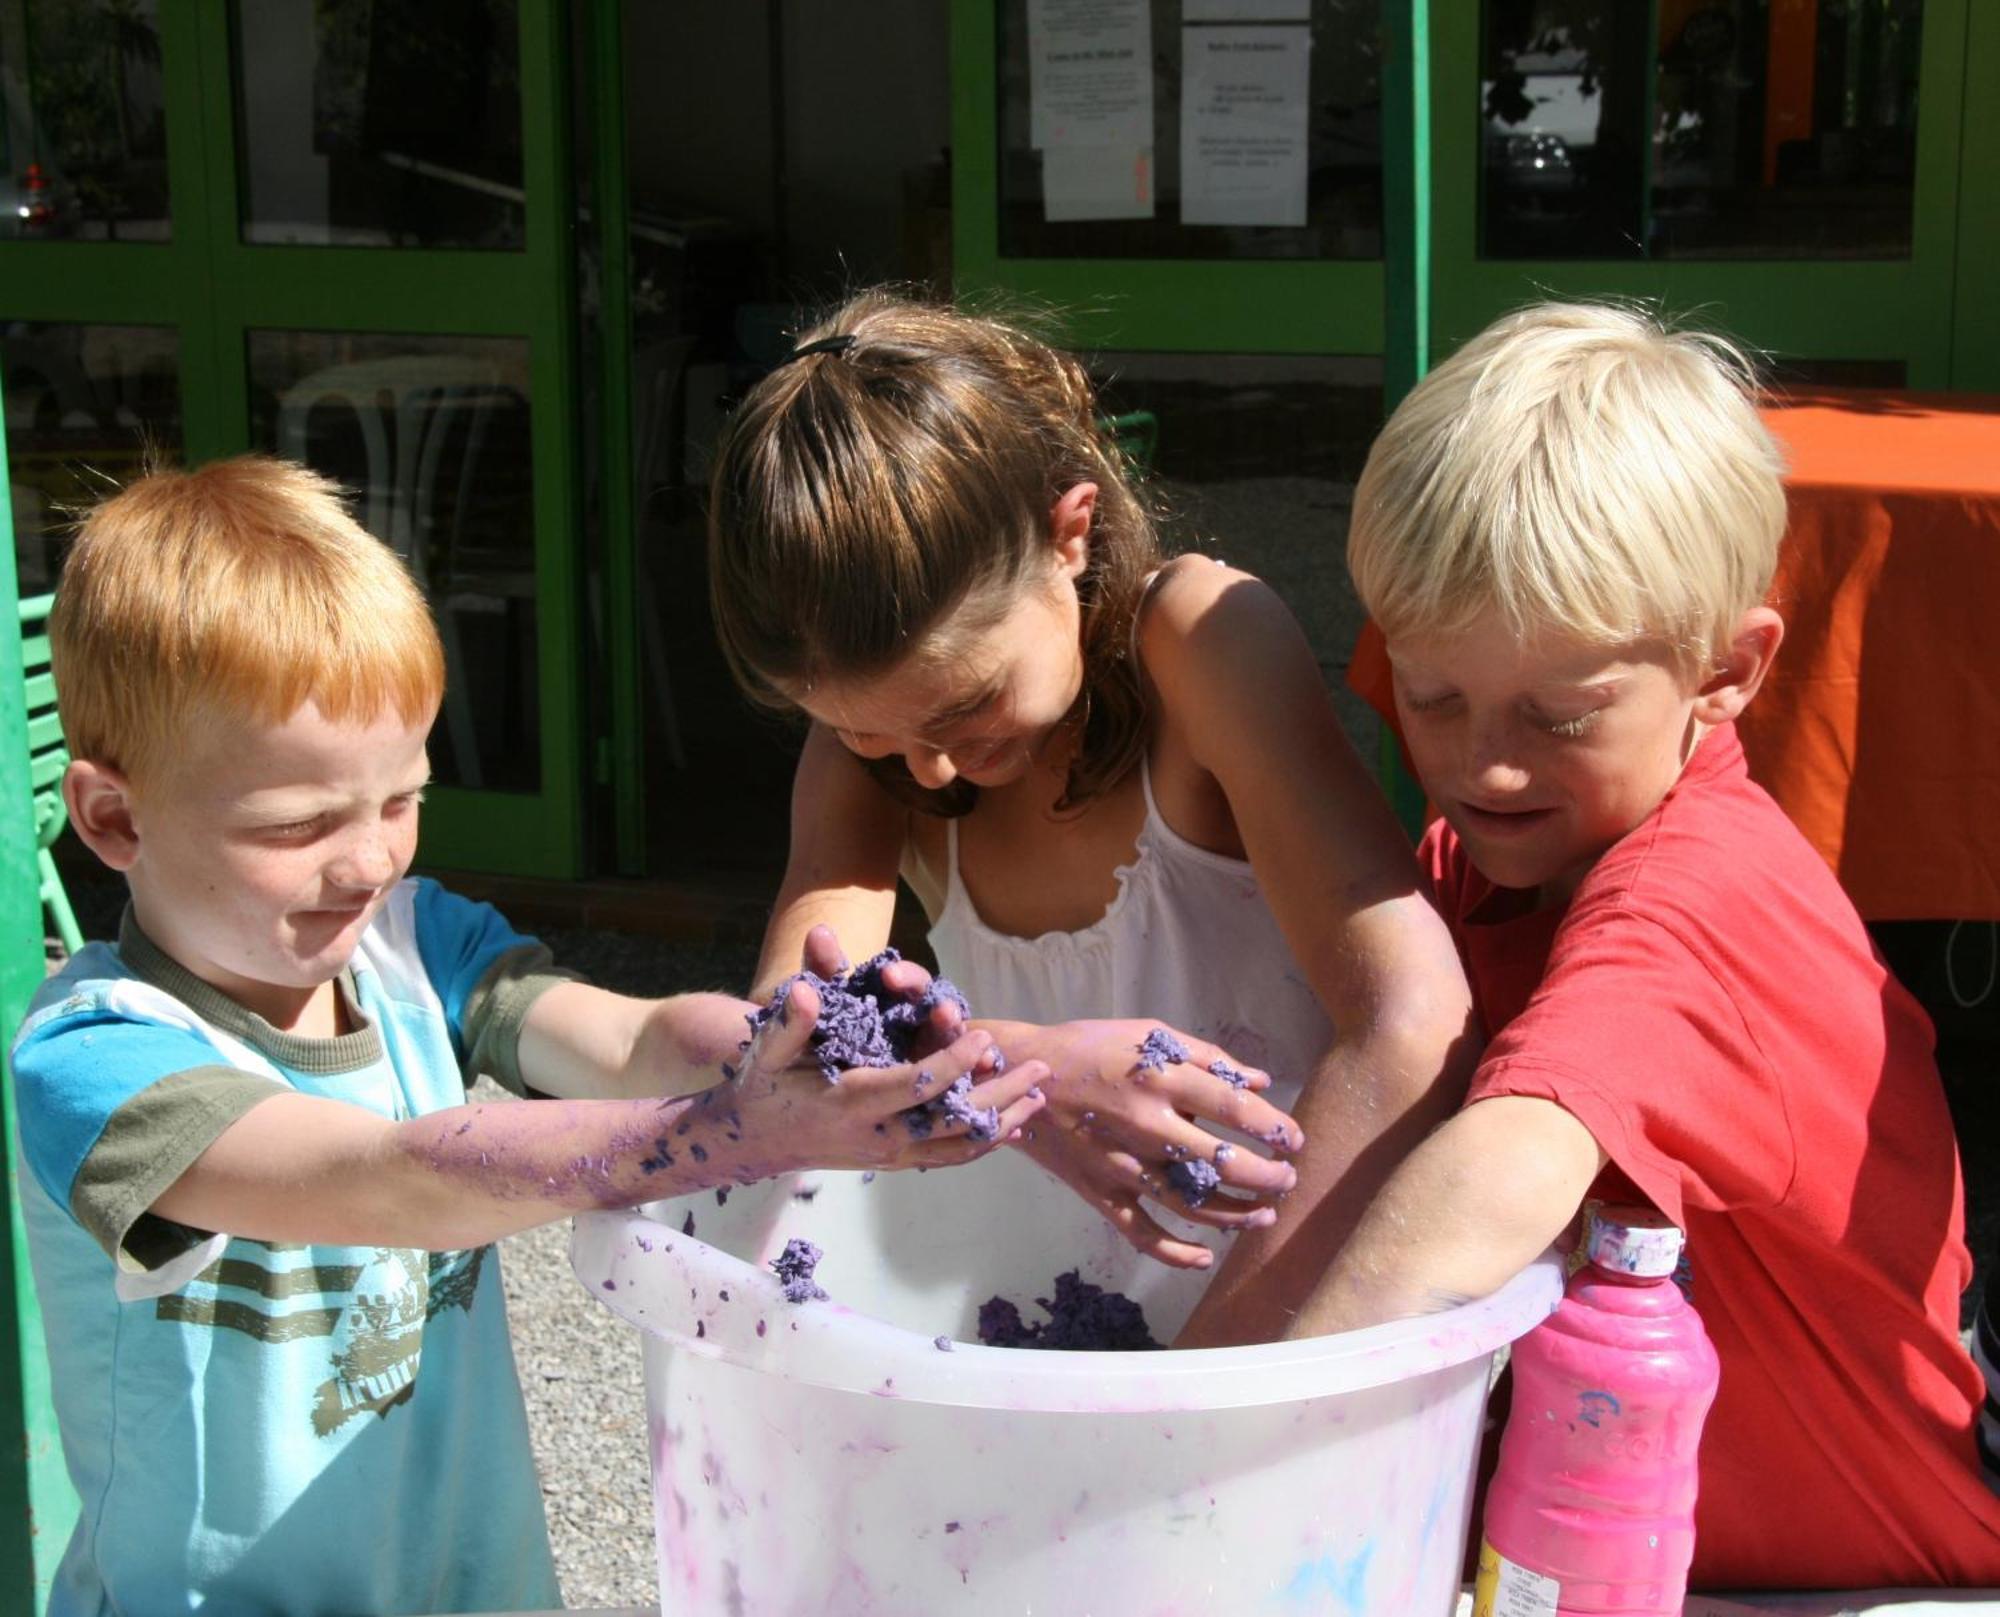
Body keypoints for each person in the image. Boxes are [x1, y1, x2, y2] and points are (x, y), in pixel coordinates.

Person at [9, 456, 1050, 1616]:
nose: (365, 862)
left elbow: (630, 1038)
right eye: (297, 825)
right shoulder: (94, 1058)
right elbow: (385, 1181)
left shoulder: (413, 945)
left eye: (399, 801)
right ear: (112, 817)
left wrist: (791, 1038)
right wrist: (715, 1138)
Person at [1290, 302, 2000, 1586]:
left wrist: (1231, 1450)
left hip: (1881, 1575)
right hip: (1632, 1541)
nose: (1480, 765)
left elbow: (1504, 1166)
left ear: (1726, 673)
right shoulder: (1501, 851)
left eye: (1556, 716)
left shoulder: (1697, 901)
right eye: (1430, 695)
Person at [705, 290, 1476, 1335]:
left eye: (968, 702)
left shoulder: (1201, 644)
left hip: (1287, 1315)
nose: (930, 774)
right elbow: (785, 1047)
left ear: (1066, 534)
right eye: (870, 734)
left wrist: (1201, 1387)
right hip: (1038, 1308)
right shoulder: (879, 734)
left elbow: (1411, 1028)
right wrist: (1021, 1063)